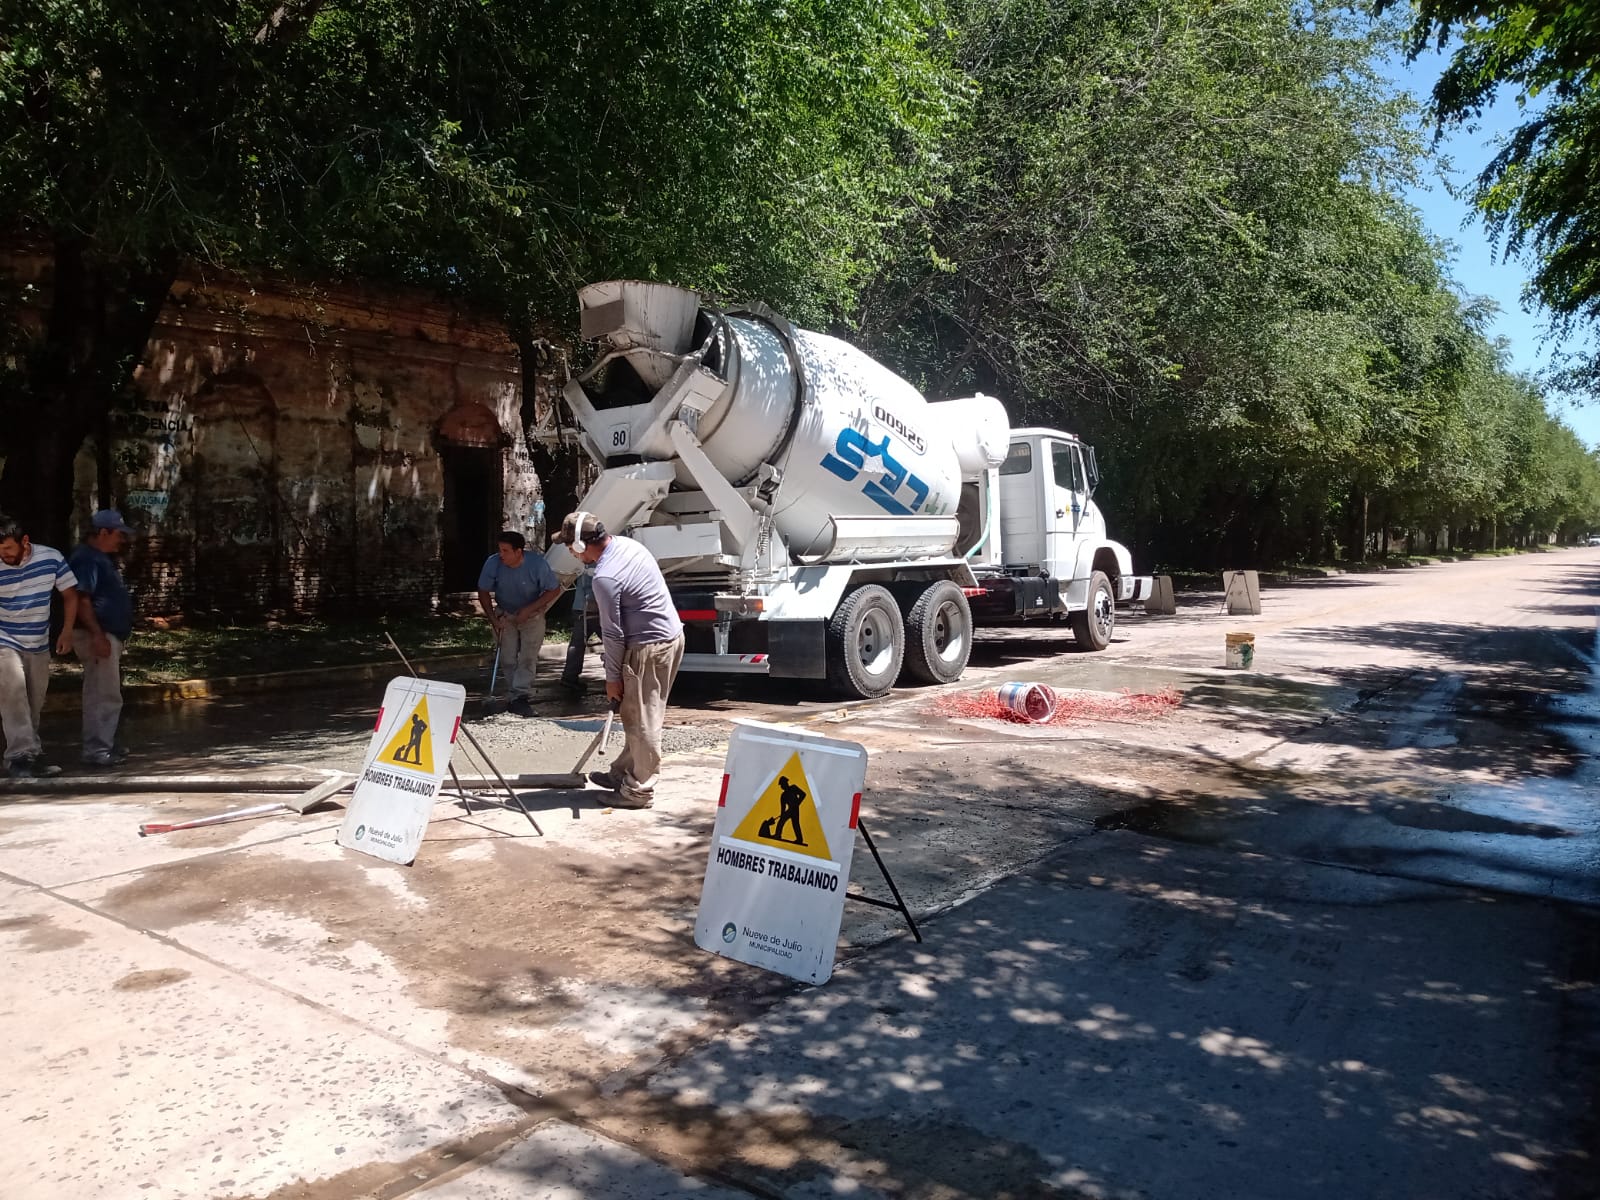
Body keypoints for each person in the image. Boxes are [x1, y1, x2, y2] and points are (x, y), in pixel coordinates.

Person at [551, 511, 684, 809]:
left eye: (570, 546)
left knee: (643, 720)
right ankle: (624, 773)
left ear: (582, 545)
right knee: (636, 713)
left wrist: (612, 679)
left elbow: (613, 634)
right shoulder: (628, 545)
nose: (570, 552)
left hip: (649, 647)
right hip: (669, 637)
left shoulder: (605, 577)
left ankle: (638, 790)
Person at [0, 515, 81, 778]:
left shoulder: (51, 558)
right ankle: (18, 756)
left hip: (37, 640)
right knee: (13, 692)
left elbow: (70, 595)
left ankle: (30, 755)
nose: (4, 555)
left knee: (34, 701)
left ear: (24, 541)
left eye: (8, 548)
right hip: (4, 638)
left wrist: (67, 631)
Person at [69, 509, 135, 768]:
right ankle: (97, 749)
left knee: (107, 692)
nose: (121, 540)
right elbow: (82, 599)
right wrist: (97, 635)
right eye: (118, 534)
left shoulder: (98, 558)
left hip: (105, 633)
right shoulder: (87, 559)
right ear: (103, 532)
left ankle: (105, 742)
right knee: (101, 693)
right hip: (96, 634)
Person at [476, 530, 561, 716]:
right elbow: (483, 591)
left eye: (505, 551)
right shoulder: (493, 563)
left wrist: (529, 610)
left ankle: (520, 696)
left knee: (528, 657)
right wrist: (493, 619)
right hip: (505, 614)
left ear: (518, 551)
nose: (501, 555)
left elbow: (554, 590)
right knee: (507, 658)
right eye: (500, 550)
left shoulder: (537, 564)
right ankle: (514, 694)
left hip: (532, 615)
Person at [559, 568, 597, 694]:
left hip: (581, 607)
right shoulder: (597, 562)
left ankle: (569, 677)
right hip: (592, 608)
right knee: (613, 642)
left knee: (577, 644)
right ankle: (619, 676)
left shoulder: (582, 562)